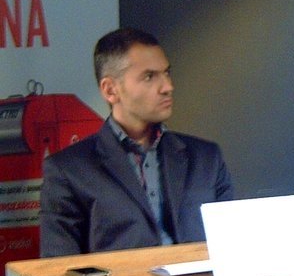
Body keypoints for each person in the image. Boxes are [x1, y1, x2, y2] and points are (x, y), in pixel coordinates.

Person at [39, 28, 234, 256]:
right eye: (149, 77)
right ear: (110, 90)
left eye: (167, 73)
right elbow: (58, 267)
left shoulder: (206, 158)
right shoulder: (69, 171)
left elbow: (233, 248)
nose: (167, 87)